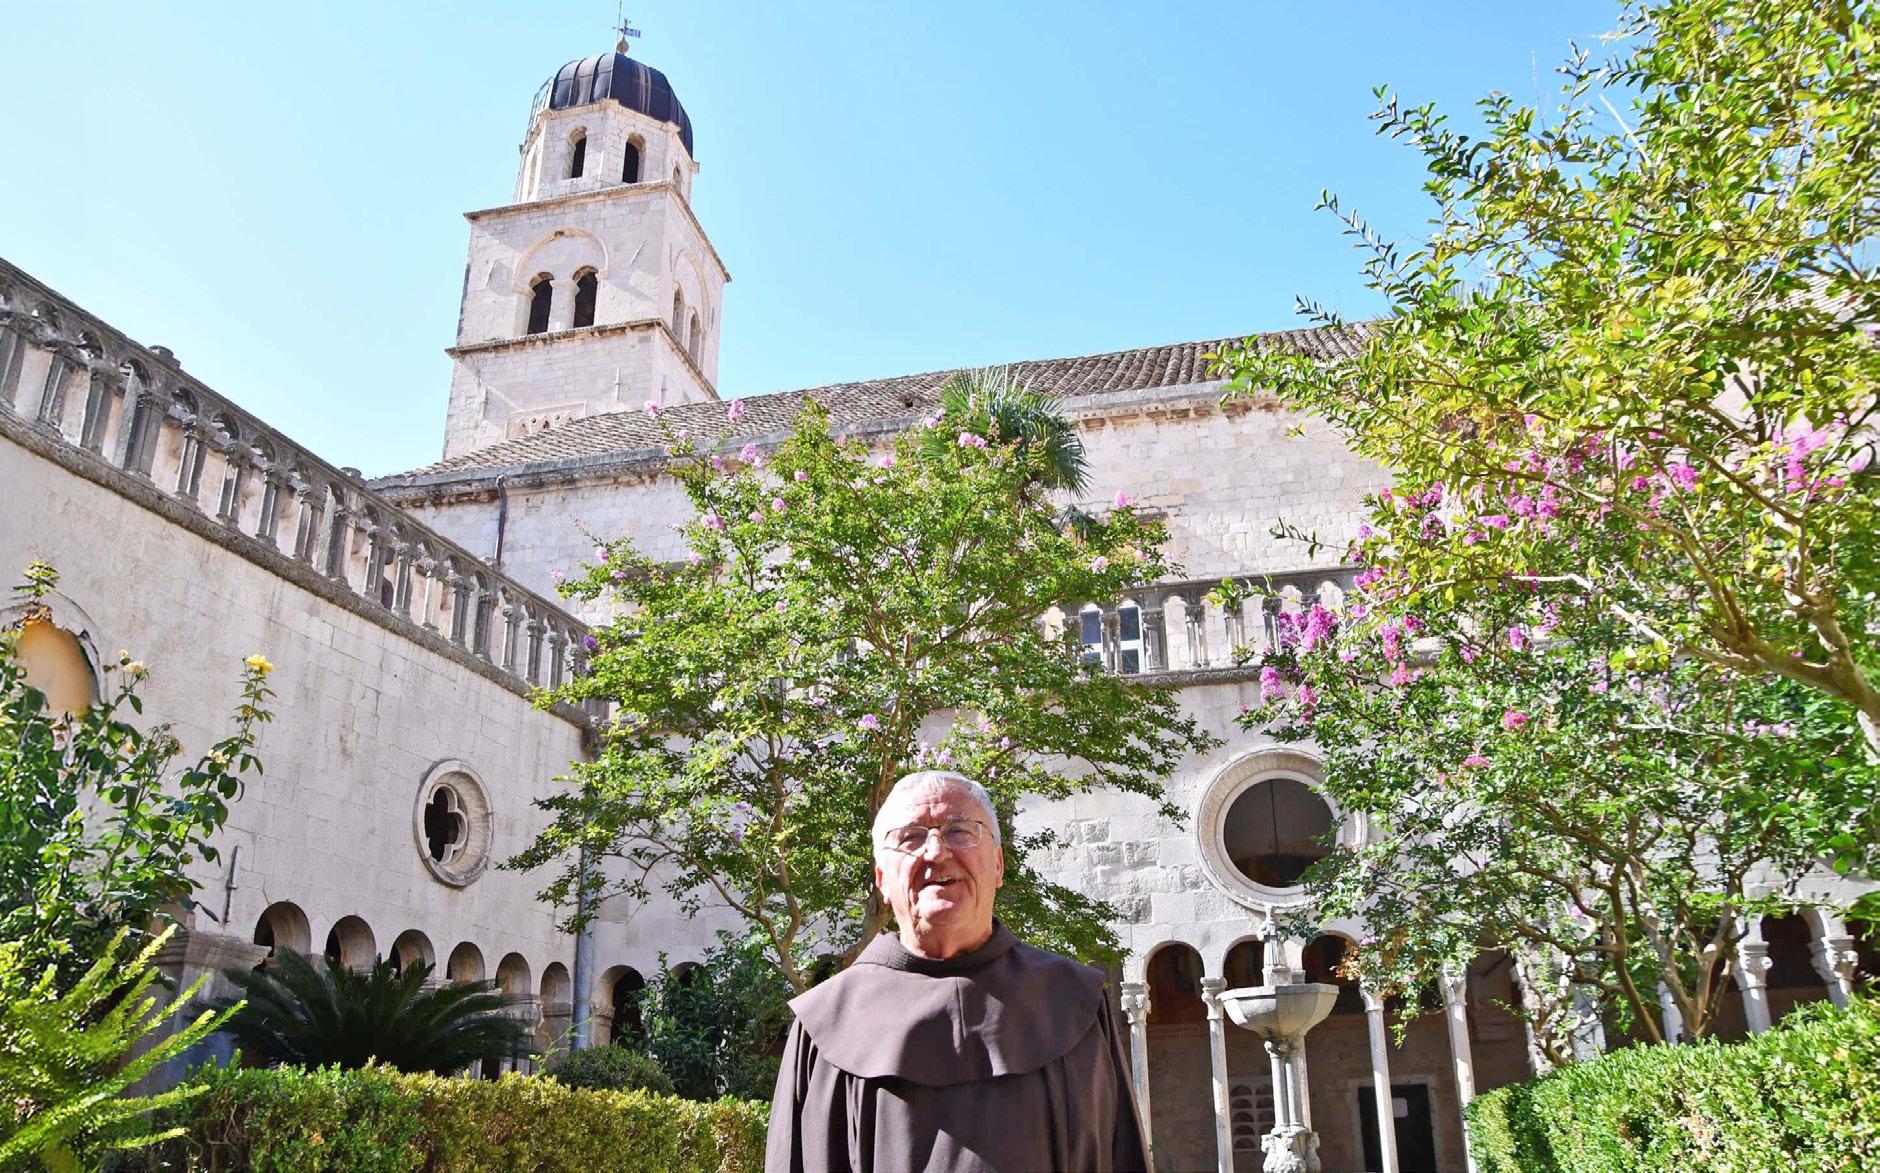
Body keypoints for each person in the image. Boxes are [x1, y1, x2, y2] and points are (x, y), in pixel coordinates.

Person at [765, 770, 1149, 1173]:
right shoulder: (825, 1024)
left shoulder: (1073, 1002)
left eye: (960, 831)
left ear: (998, 865)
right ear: (882, 880)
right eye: (910, 837)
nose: (936, 852)